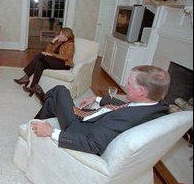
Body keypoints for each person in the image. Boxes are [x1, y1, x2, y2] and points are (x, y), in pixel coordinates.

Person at [30, 65, 170, 155]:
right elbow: (127, 105)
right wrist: (98, 99)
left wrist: (51, 131)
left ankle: (43, 107)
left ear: (141, 91)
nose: (125, 85)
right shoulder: (157, 106)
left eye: (129, 83)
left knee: (60, 91)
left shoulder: (126, 118)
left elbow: (92, 144)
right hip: (96, 119)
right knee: (53, 102)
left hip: (78, 129)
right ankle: (46, 107)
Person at [14, 27, 75, 96]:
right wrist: (52, 41)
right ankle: (33, 87)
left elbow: (66, 57)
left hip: (64, 64)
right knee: (40, 63)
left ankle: (26, 77)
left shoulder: (70, 44)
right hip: (55, 62)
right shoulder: (59, 42)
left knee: (40, 55)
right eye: (60, 34)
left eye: (62, 34)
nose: (59, 36)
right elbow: (47, 52)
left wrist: (51, 54)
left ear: (67, 36)